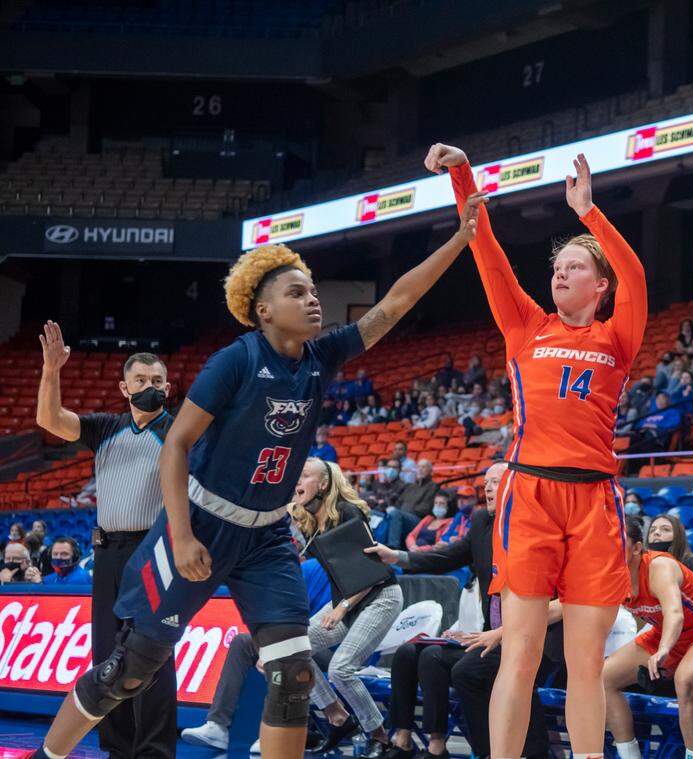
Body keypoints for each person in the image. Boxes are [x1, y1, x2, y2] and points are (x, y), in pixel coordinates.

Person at [28, 198, 477, 759]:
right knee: (129, 669)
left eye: (313, 291)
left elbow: (396, 303)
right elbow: (176, 446)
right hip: (202, 522)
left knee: (292, 674)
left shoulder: (322, 355)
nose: (312, 299)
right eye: (296, 292)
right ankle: (48, 756)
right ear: (262, 309)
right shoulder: (234, 360)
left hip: (267, 535)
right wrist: (184, 534)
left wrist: (461, 240)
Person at [429, 142, 647, 758]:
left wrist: (590, 216)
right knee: (519, 653)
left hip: (594, 501)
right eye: (558, 267)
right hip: (528, 495)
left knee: (584, 662)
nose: (561, 273)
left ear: (600, 286)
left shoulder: (618, 335)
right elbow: (486, 250)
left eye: (576, 267)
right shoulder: (526, 325)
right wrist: (462, 175)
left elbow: (635, 275)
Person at [35, 333, 179, 759]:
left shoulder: (177, 432)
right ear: (124, 388)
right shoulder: (106, 428)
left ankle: (154, 751)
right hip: (107, 554)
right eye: (140, 378)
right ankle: (117, 748)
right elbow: (50, 419)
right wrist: (51, 370)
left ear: (167, 388)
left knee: (152, 653)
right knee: (107, 657)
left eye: (157, 378)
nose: (149, 384)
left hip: (153, 553)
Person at [369, 462, 509, 759]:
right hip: (488, 635)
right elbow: (447, 555)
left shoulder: (531, 528)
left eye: (496, 482)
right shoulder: (482, 520)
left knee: (445, 661)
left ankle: (485, 751)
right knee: (411, 652)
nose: (487, 488)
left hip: (519, 637)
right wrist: (398, 556)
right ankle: (408, 740)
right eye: (486, 482)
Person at [289, 459, 403, 757]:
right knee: (292, 650)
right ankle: (337, 716)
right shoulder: (314, 524)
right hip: (346, 599)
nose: (297, 481)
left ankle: (381, 738)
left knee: (341, 669)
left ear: (323, 484)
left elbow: (370, 571)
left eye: (304, 476)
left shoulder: (349, 513)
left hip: (379, 595)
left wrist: (341, 608)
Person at [180, 557, 332, 753]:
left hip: (329, 648)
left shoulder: (358, 573)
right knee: (243, 642)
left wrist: (275, 645)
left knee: (284, 653)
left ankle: (277, 732)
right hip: (298, 638)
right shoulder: (307, 568)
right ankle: (217, 726)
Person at [604, 521, 693, 759]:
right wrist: (502, 632)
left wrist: (664, 649)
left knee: (686, 680)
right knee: (603, 678)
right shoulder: (610, 577)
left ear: (636, 548)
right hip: (666, 633)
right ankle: (630, 755)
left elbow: (675, 613)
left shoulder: (659, 566)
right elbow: (563, 607)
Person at [646, 513, 693, 585]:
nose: (656, 532)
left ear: (678, 536)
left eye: (666, 529)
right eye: (652, 530)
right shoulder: (644, 566)